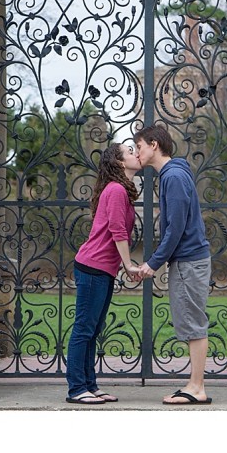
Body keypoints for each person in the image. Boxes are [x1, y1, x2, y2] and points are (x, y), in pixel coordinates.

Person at [133, 124, 213, 405]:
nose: (137, 153)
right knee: (190, 323)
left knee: (193, 324)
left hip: (190, 262)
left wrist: (153, 263)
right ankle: (194, 384)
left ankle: (197, 388)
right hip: (187, 261)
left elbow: (175, 227)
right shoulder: (171, 175)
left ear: (154, 144)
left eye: (139, 146)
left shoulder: (174, 176)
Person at [65, 143, 143, 405]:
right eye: (130, 151)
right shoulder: (117, 189)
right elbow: (117, 230)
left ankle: (90, 385)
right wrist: (129, 265)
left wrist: (121, 265)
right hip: (93, 267)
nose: (136, 153)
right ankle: (76, 389)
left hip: (101, 269)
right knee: (84, 329)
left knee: (93, 330)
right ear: (120, 163)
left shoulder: (119, 189)